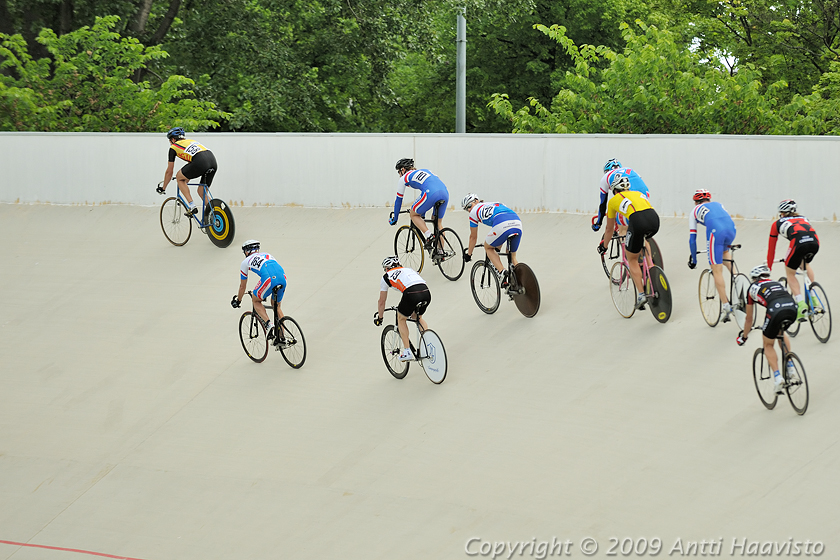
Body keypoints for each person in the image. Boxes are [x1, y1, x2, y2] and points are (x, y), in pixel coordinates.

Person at [597, 174, 660, 310]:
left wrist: (604, 246)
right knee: (643, 239)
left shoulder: (613, 201)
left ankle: (642, 295)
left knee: (632, 259)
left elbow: (609, 229)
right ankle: (651, 268)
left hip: (637, 221)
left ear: (614, 190)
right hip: (654, 220)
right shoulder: (637, 193)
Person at [737, 264, 798, 394]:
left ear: (754, 278)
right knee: (780, 333)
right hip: (792, 308)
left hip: (775, 310)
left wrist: (744, 337)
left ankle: (777, 377)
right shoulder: (776, 283)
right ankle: (791, 367)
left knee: (768, 344)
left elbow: (749, 319)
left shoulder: (752, 288)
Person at [687, 189, 738, 322]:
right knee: (725, 252)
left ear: (695, 202)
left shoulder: (694, 211)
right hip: (732, 230)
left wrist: (694, 258)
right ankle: (739, 283)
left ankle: (726, 306)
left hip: (716, 232)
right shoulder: (719, 204)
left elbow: (692, 239)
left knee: (717, 270)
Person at [766, 199, 820, 321]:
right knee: (805, 264)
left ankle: (801, 304)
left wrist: (769, 267)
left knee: (790, 272)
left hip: (798, 244)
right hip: (815, 243)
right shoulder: (804, 218)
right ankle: (813, 295)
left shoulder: (777, 224)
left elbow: (771, 249)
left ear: (782, 213)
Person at [374, 256, 432, 362]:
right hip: (426, 292)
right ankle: (429, 344)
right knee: (417, 317)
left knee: (401, 318)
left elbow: (382, 301)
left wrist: (380, 317)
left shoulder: (386, 276)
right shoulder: (409, 269)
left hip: (411, 293)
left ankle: (407, 352)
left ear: (387, 268)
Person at [230, 240, 288, 344]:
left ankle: (269, 324)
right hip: (283, 277)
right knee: (276, 306)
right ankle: (283, 337)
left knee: (255, 300)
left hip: (269, 279)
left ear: (247, 252)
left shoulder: (245, 262)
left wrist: (238, 300)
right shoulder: (267, 254)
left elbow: (242, 286)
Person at [389, 158, 450, 254]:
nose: (399, 175)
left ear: (403, 170)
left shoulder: (403, 178)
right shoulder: (425, 171)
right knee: (437, 223)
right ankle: (440, 251)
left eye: (399, 172)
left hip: (431, 193)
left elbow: (398, 201)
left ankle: (429, 235)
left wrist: (395, 218)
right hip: (444, 192)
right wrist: (422, 213)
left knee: (413, 214)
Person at [461, 194, 522, 287]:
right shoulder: (494, 203)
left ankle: (502, 272)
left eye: (469, 206)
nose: (469, 210)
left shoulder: (473, 213)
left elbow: (473, 237)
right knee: (512, 257)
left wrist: (469, 254)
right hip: (517, 222)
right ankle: (522, 281)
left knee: (488, 247)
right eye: (466, 209)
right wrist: (497, 249)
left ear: (476, 201)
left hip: (501, 224)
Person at [157, 127, 218, 217]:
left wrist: (163, 188)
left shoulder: (173, 147)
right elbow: (192, 165)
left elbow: (169, 172)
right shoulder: (191, 141)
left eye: (170, 141)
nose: (170, 143)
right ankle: (216, 214)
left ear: (173, 139)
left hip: (200, 162)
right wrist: (185, 180)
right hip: (213, 161)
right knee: (202, 192)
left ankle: (192, 206)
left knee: (179, 177)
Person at [593, 158, 651, 232]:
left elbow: (603, 204)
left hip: (629, 196)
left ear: (607, 171)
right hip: (644, 193)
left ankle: (624, 239)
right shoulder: (629, 169)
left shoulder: (605, 177)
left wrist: (598, 223)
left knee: (623, 229)